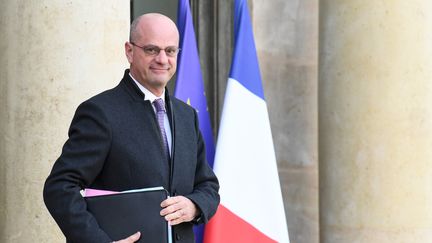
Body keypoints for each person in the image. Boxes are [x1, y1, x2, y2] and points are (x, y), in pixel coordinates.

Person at [43, 13, 220, 243]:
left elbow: (207, 185)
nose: (162, 59)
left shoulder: (186, 116)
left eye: (170, 51)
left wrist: (195, 205)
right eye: (151, 50)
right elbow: (59, 187)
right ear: (129, 51)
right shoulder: (100, 112)